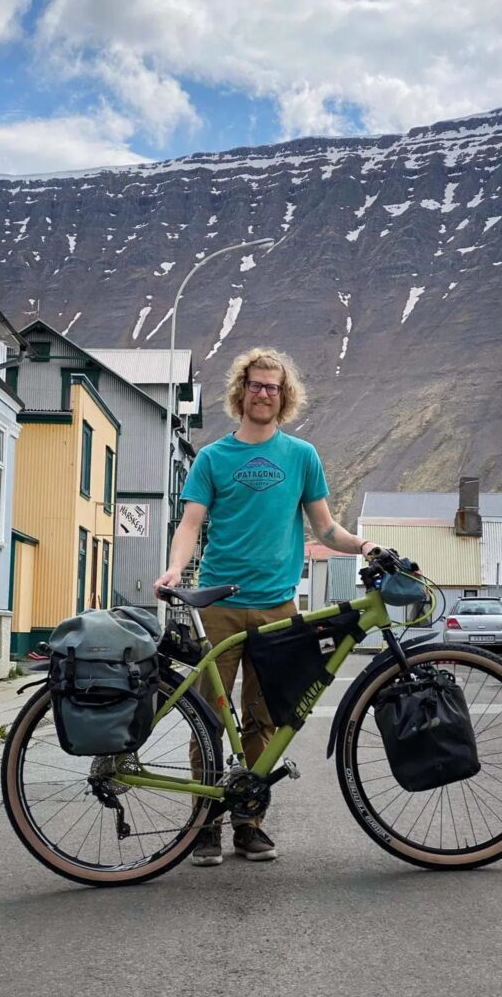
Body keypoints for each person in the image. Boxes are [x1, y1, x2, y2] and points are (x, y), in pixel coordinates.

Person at [154, 347, 375, 867]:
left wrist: (363, 545)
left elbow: (325, 528)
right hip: (220, 605)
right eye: (255, 385)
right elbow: (190, 523)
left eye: (273, 387)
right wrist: (174, 568)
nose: (264, 394)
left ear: (284, 395)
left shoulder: (301, 457)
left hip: (278, 607)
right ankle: (203, 825)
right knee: (208, 718)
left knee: (264, 719)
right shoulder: (213, 458)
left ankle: (248, 824)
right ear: (241, 391)